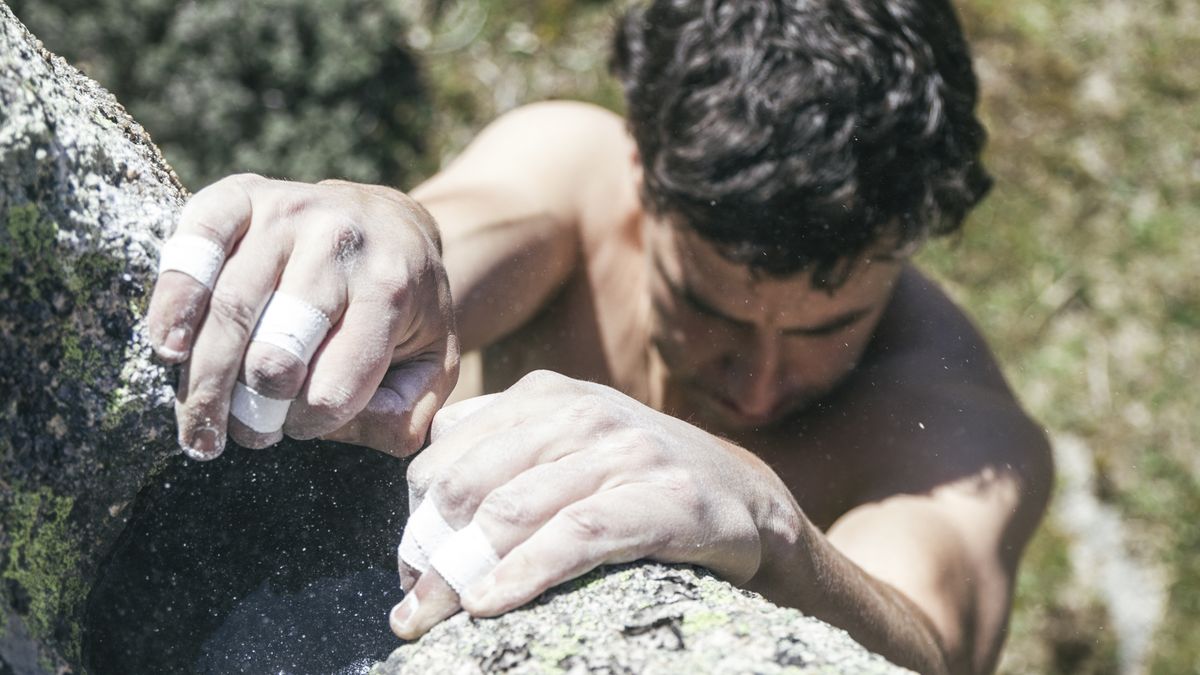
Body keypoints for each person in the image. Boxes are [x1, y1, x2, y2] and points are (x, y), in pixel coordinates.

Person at [145, 0, 1053, 673]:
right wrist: (383, 232)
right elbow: (451, 245)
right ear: (643, 180)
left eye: (831, 328)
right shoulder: (579, 178)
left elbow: (931, 645)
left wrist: (772, 522)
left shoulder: (964, 432)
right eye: (707, 309)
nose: (758, 383)